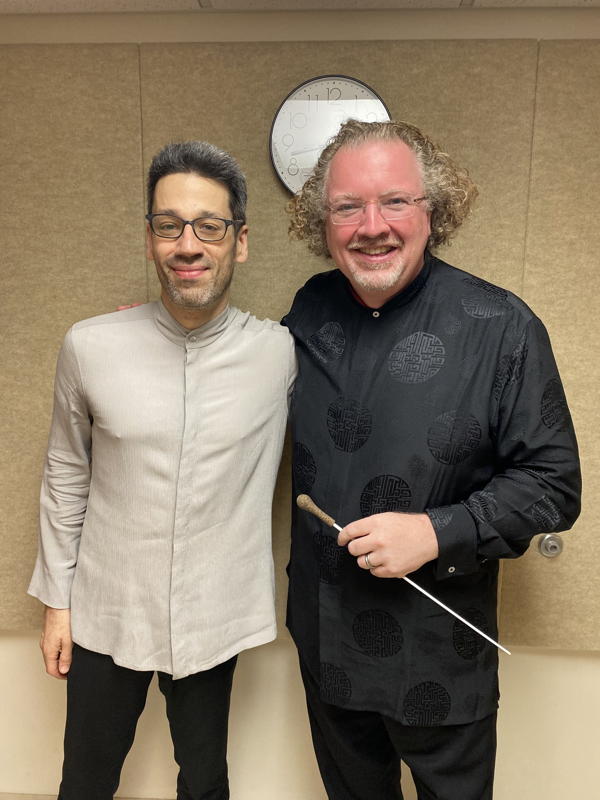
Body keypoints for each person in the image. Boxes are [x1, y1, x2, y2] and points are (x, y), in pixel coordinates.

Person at [283, 119, 581, 800]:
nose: (372, 225)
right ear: (321, 223)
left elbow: (553, 484)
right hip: (326, 640)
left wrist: (434, 532)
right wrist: (173, 347)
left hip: (440, 657)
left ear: (432, 211)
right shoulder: (308, 309)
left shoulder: (503, 326)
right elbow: (245, 386)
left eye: (395, 201)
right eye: (348, 206)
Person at [28, 140, 296, 800]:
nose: (188, 244)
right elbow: (66, 472)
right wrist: (57, 603)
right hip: (105, 607)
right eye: (169, 225)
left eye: (209, 225)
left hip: (215, 610)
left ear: (241, 242)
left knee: (205, 781)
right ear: (149, 239)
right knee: (85, 780)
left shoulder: (282, 354)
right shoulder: (90, 346)